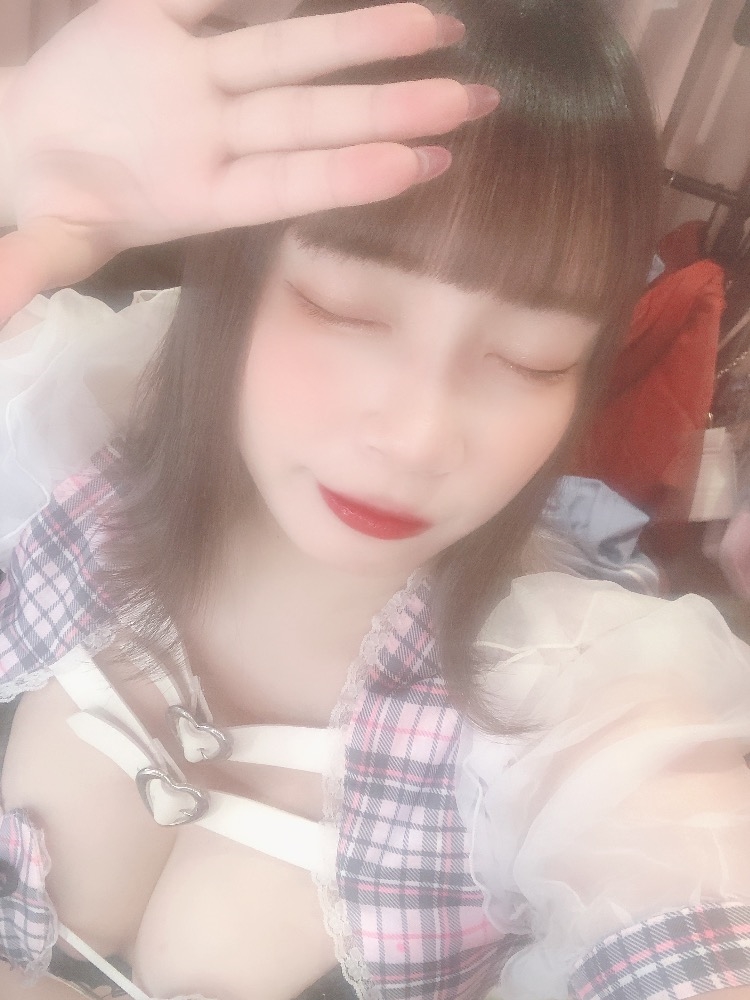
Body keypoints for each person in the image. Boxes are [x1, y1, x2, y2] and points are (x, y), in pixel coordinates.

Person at [0, 1, 748, 1000]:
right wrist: (13, 156)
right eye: (344, 308)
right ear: (233, 278)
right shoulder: (64, 437)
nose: (418, 436)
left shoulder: (568, 715)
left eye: (534, 358)